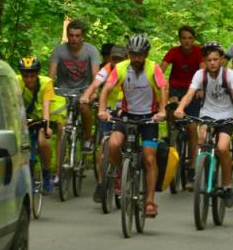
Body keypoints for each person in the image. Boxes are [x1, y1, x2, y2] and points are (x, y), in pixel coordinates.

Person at [98, 34, 167, 218]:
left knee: (149, 158)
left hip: (149, 118)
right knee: (112, 145)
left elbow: (162, 88)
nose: (136, 58)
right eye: (133, 54)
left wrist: (162, 111)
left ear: (146, 54)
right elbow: (106, 89)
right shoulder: (121, 67)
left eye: (140, 55)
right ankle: (123, 172)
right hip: (127, 116)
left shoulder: (153, 68)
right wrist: (102, 109)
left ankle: (150, 201)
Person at [174, 42, 233, 207]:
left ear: (221, 60)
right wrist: (180, 108)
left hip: (227, 116)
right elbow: (189, 95)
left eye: (215, 59)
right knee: (202, 140)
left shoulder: (229, 74)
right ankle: (202, 171)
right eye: (209, 60)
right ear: (205, 61)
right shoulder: (200, 75)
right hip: (207, 114)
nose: (212, 63)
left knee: (222, 148)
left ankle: (227, 187)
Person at [81, 45, 127, 202]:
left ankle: (124, 171)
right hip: (108, 108)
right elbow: (95, 84)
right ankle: (101, 183)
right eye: (114, 59)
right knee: (103, 144)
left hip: (126, 108)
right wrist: (85, 97)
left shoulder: (130, 69)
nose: (116, 62)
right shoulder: (107, 69)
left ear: (126, 59)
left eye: (120, 59)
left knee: (124, 142)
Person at [49, 19, 101, 152]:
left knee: (84, 107)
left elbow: (96, 76)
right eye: (71, 35)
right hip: (63, 92)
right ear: (67, 36)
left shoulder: (91, 51)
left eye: (77, 36)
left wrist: (94, 92)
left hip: (84, 91)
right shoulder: (58, 51)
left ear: (82, 36)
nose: (74, 39)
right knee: (61, 128)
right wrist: (49, 91)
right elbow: (50, 77)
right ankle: (61, 163)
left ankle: (88, 139)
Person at [160, 25, 204, 181]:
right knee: (171, 112)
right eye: (184, 38)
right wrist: (160, 85)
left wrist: (201, 88)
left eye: (190, 38)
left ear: (194, 39)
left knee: (192, 127)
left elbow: (202, 71)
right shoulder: (174, 51)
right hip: (176, 89)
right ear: (180, 39)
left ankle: (192, 165)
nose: (187, 41)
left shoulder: (198, 51)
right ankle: (172, 136)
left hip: (192, 89)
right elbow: (161, 69)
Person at [18, 57, 66, 194]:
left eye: (32, 76)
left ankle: (47, 172)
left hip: (46, 116)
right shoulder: (16, 82)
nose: (28, 79)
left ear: (37, 74)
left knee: (43, 141)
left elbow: (46, 106)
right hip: (28, 116)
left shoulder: (46, 83)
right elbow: (14, 104)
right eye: (25, 76)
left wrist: (46, 127)